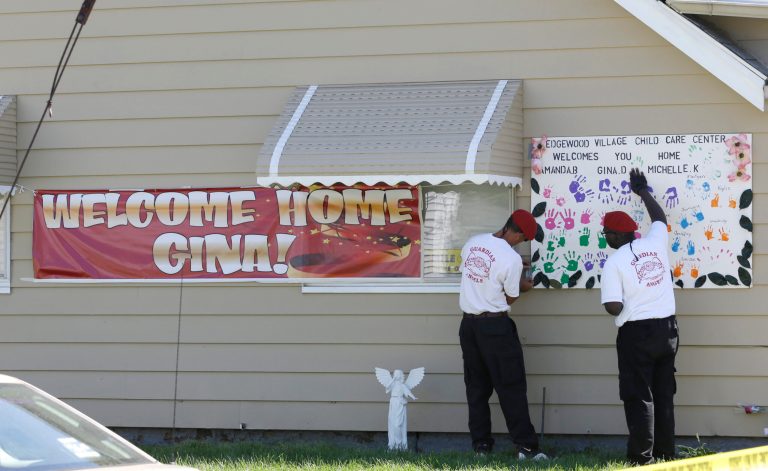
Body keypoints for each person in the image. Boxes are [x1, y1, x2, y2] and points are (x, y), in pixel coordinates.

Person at [600, 168, 679, 465]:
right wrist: (642, 191)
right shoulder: (655, 243)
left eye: (607, 233)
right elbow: (659, 218)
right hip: (668, 330)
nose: (606, 237)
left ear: (618, 234)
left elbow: (613, 306)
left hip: (636, 335)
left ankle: (641, 458)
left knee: (639, 396)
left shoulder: (615, 262)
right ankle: (666, 454)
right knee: (663, 394)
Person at [458, 209, 547, 460]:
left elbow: (475, 276)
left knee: (476, 388)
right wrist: (525, 283)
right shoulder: (511, 259)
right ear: (515, 232)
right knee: (511, 386)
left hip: (468, 326)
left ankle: (481, 446)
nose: (522, 243)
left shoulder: (473, 243)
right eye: (523, 238)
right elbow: (511, 296)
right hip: (495, 327)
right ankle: (526, 448)